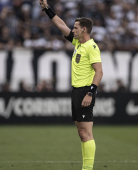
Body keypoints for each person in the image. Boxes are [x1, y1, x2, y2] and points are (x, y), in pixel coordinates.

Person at [39, 1, 103, 170]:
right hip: (76, 91)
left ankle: (87, 169)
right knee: (81, 133)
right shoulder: (78, 43)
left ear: (84, 30)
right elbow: (60, 24)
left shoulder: (91, 47)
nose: (72, 30)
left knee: (86, 133)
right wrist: (47, 8)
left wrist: (90, 93)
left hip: (85, 92)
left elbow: (99, 72)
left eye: (75, 28)